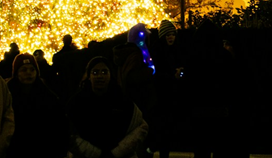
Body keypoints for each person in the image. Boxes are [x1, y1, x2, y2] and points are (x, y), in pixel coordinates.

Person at [68, 56, 148, 158]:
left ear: (110, 75)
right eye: (95, 72)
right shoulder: (77, 102)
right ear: (89, 76)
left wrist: (117, 151)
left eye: (104, 72)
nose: (100, 76)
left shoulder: (122, 100)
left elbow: (140, 127)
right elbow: (70, 132)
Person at [6, 53, 68, 158]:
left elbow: (59, 125)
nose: (28, 73)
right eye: (24, 70)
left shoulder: (47, 96)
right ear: (16, 73)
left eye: (32, 69)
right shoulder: (7, 95)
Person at [151, 20, 186, 158]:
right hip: (163, 97)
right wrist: (173, 76)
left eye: (172, 34)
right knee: (164, 130)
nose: (170, 37)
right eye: (167, 35)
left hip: (174, 96)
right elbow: (157, 75)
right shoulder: (158, 53)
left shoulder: (178, 50)